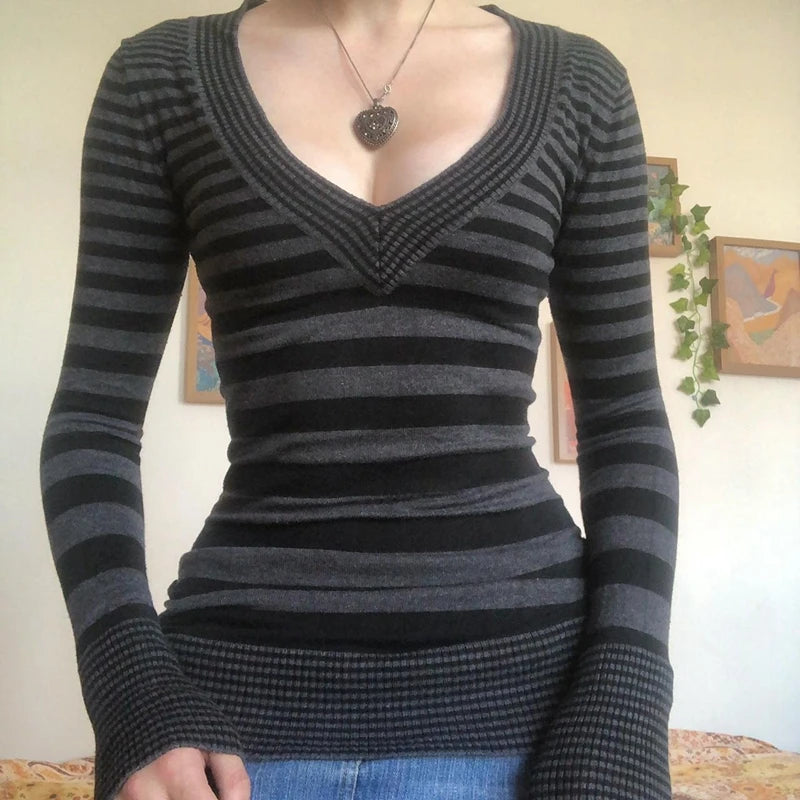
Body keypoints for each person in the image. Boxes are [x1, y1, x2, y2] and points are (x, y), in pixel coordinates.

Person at [38, 0, 679, 797]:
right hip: (232, 717)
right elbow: (93, 421)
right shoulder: (159, 79)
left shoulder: (580, 86)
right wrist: (130, 689)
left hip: (534, 710)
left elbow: (623, 423)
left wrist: (626, 695)